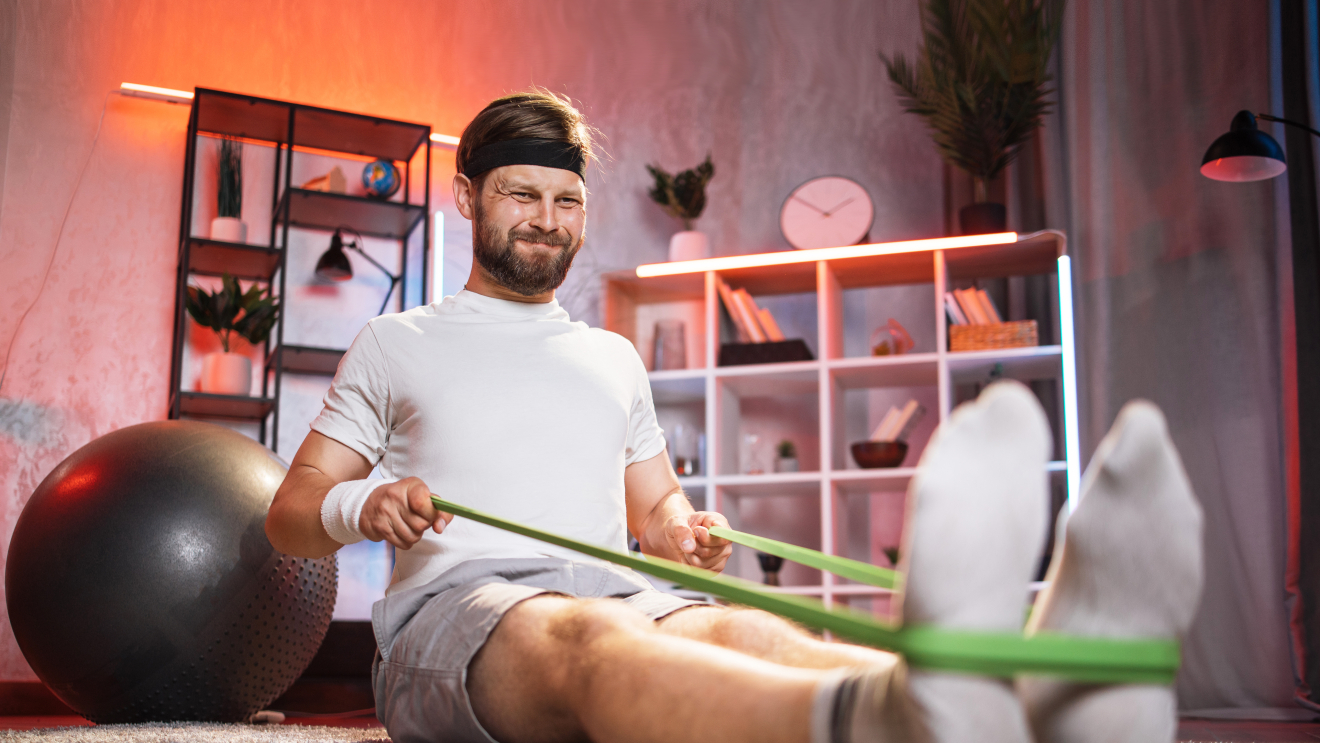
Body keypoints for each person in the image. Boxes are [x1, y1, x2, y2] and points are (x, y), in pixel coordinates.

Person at [265, 89, 1204, 743]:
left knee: (734, 626)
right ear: (469, 195)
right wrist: (369, 504)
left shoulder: (613, 357)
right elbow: (290, 512)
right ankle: (885, 721)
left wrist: (686, 531)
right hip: (456, 621)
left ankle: (1013, 696)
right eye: (522, 195)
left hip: (618, 586)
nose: (547, 220)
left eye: (566, 201)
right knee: (598, 642)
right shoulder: (397, 341)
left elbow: (657, 512)